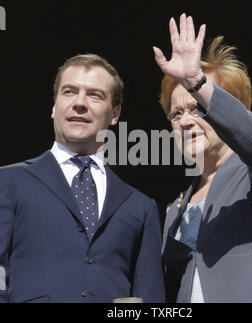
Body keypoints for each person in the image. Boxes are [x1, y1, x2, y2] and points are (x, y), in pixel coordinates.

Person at [153, 13, 252, 302]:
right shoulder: (175, 208)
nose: (184, 121)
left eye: (197, 108)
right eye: (176, 114)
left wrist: (197, 81)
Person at [0, 54, 165, 303]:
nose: (80, 103)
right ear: (54, 106)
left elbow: (151, 298)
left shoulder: (140, 207)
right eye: (69, 92)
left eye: (95, 95)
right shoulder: (8, 182)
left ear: (115, 113)